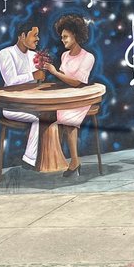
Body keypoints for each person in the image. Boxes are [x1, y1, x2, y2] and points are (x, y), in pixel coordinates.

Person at [41, 14, 96, 178]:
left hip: (81, 98)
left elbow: (77, 82)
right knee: (48, 114)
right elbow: (66, 80)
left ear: (75, 35)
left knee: (66, 117)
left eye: (65, 37)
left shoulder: (88, 57)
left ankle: (74, 162)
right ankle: (54, 160)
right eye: (62, 37)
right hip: (66, 97)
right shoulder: (65, 56)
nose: (63, 40)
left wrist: (55, 72)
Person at [0, 23, 46, 170]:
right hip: (12, 107)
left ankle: (49, 160)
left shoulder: (33, 56)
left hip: (32, 104)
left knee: (52, 116)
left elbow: (36, 83)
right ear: (22, 36)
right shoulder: (6, 53)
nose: (38, 39)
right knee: (40, 119)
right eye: (35, 35)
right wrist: (34, 75)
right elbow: (10, 81)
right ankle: (29, 160)